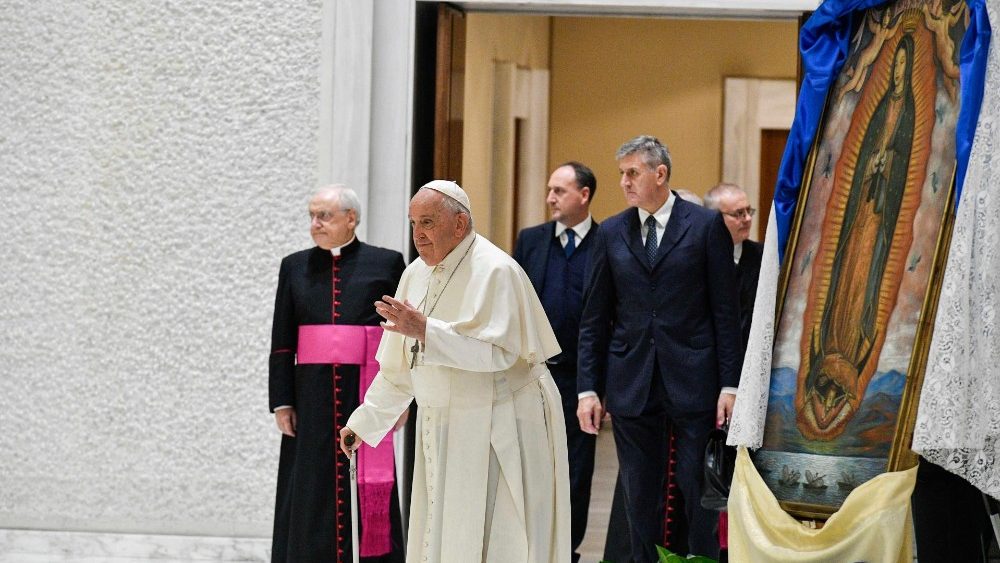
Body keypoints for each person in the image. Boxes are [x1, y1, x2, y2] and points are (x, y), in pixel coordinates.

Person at [340, 181, 571, 562]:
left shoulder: (497, 270)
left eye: (428, 222)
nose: (418, 234)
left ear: (460, 224)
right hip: (444, 425)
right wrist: (364, 422)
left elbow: (497, 354)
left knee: (501, 540)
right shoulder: (415, 275)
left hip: (501, 422)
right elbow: (401, 367)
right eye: (413, 223)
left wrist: (426, 330)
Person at [577, 135, 741, 561]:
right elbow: (594, 318)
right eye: (621, 174)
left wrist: (730, 385)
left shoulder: (705, 226)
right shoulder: (611, 232)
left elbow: (725, 311)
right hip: (632, 381)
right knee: (638, 499)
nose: (625, 182)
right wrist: (588, 390)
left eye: (633, 173)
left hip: (693, 379)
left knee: (696, 494)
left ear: (660, 173)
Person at [269, 185, 407, 563]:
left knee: (366, 478)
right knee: (309, 484)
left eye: (324, 216)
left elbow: (399, 336)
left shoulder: (387, 263)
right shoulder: (294, 266)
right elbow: (282, 340)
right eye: (312, 216)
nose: (315, 224)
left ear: (351, 218)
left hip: (363, 393)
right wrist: (282, 401)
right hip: (309, 398)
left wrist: (400, 399)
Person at [512, 162, 599, 563]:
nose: (550, 198)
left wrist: (601, 385)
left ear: (584, 195)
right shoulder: (531, 240)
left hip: (582, 378)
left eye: (560, 191)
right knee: (531, 462)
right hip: (533, 372)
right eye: (549, 189)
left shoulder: (606, 241)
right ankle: (531, 547)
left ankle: (568, 549)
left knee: (576, 468)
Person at [704, 183, 763, 357]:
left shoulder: (764, 256)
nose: (747, 219)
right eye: (738, 214)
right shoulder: (699, 258)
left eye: (748, 211)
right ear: (714, 217)